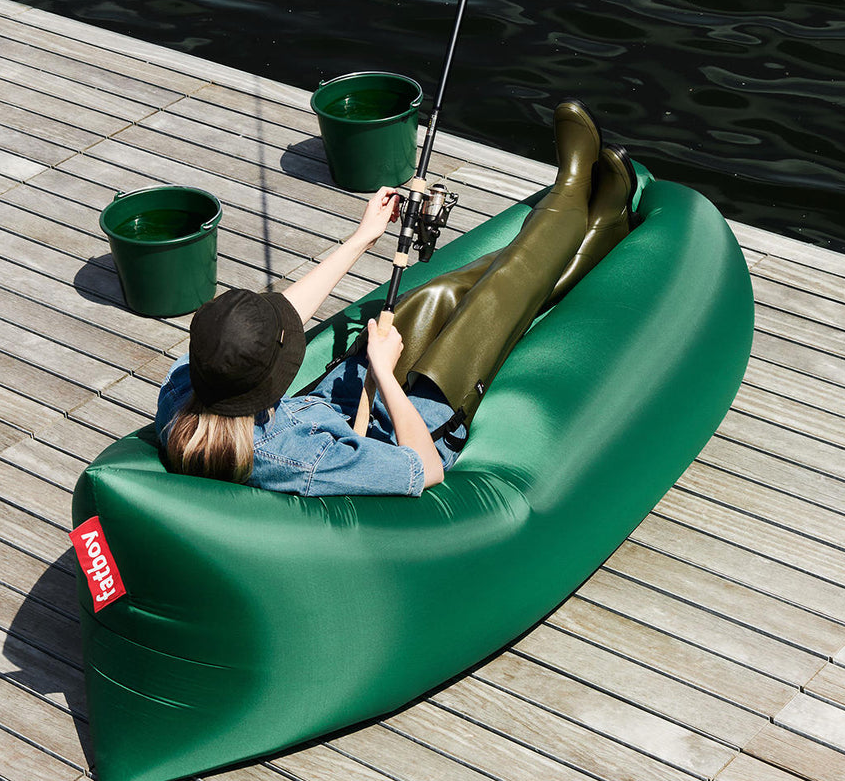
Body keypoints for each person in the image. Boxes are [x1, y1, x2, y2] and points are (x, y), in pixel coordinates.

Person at [155, 100, 634, 497]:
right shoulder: (302, 459)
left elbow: (278, 319)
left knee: (438, 293)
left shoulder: (184, 393)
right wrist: (384, 373)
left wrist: (361, 238)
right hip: (422, 422)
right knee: (494, 298)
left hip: (340, 404)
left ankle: (596, 232)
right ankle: (575, 197)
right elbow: (424, 469)